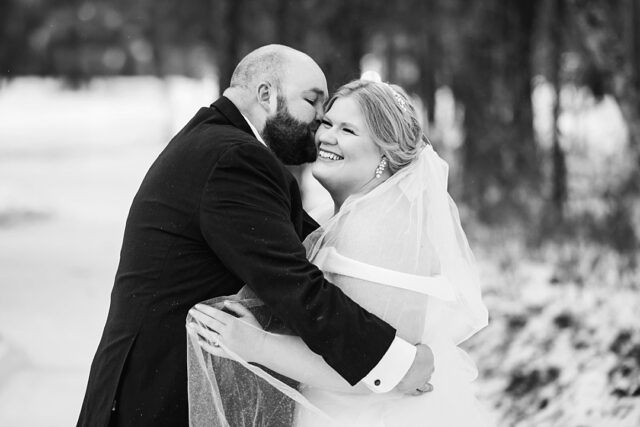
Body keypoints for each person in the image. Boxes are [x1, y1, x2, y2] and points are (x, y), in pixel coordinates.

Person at [77, 45, 434, 427]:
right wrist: (397, 364)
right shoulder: (234, 159)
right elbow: (296, 286)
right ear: (266, 94)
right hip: (156, 400)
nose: (320, 119)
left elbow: (310, 251)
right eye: (313, 101)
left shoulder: (215, 145)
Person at [188, 79, 492, 426]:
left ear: (386, 153)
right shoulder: (354, 219)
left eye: (348, 130)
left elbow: (368, 369)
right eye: (327, 124)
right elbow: (342, 333)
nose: (325, 137)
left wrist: (255, 345)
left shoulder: (380, 229)